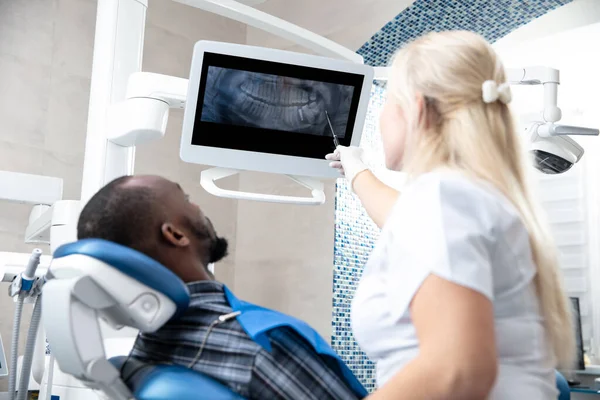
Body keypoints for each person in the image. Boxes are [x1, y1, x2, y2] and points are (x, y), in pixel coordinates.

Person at [326, 30, 575, 399]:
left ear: (416, 108)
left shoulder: (445, 197)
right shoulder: (469, 196)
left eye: (388, 103)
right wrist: (358, 172)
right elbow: (412, 228)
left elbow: (457, 371)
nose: (380, 118)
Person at [76, 174, 364, 400]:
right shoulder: (260, 347)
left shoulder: (150, 345)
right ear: (175, 234)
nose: (198, 206)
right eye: (187, 199)